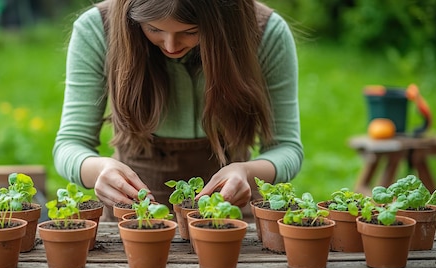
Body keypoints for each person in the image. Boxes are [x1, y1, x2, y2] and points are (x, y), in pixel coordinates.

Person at [53, 0, 303, 221]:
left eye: (190, 31)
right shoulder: (97, 29)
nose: (171, 45)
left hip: (229, 218)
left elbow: (286, 148)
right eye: (153, 29)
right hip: (131, 220)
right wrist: (99, 170)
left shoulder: (265, 32)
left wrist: (246, 173)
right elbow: (70, 144)